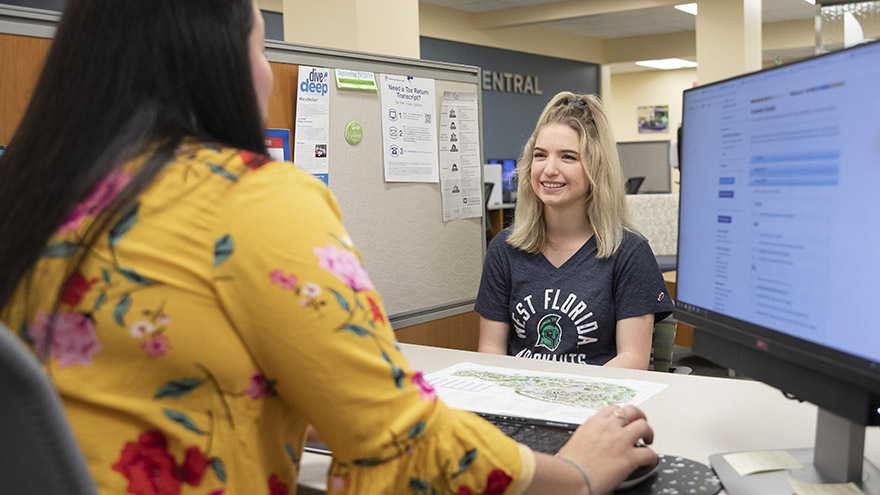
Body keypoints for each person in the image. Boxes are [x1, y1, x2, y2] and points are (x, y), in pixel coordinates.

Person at [0, 3, 656, 494]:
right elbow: (400, 441)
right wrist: (574, 472)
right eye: (262, 47)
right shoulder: (252, 199)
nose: (264, 75)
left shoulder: (34, 196)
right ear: (213, 64)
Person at [476, 92, 673, 370]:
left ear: (595, 168)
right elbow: (490, 349)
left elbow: (633, 360)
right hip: (521, 398)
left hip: (597, 401)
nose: (549, 169)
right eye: (540, 155)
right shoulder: (504, 249)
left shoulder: (628, 252)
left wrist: (568, 397)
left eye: (568, 157)